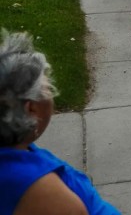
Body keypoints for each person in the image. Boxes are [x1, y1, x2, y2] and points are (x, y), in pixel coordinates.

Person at [0, 30, 120, 213]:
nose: (52, 97)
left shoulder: (16, 152)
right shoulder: (35, 187)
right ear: (31, 108)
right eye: (48, 89)